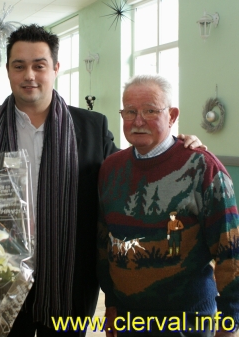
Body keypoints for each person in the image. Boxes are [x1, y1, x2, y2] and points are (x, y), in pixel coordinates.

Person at [0, 25, 204, 336]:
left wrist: (174, 147)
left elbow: (128, 171)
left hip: (70, 282)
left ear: (56, 67)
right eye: (19, 66)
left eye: (39, 65)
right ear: (8, 70)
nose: (29, 75)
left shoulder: (90, 126)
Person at [97, 74, 239, 337]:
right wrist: (112, 301)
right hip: (129, 320)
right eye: (130, 111)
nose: (138, 121)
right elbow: (105, 240)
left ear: (172, 116)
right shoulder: (110, 168)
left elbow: (230, 252)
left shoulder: (203, 168)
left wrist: (229, 322)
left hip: (187, 323)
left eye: (150, 111)